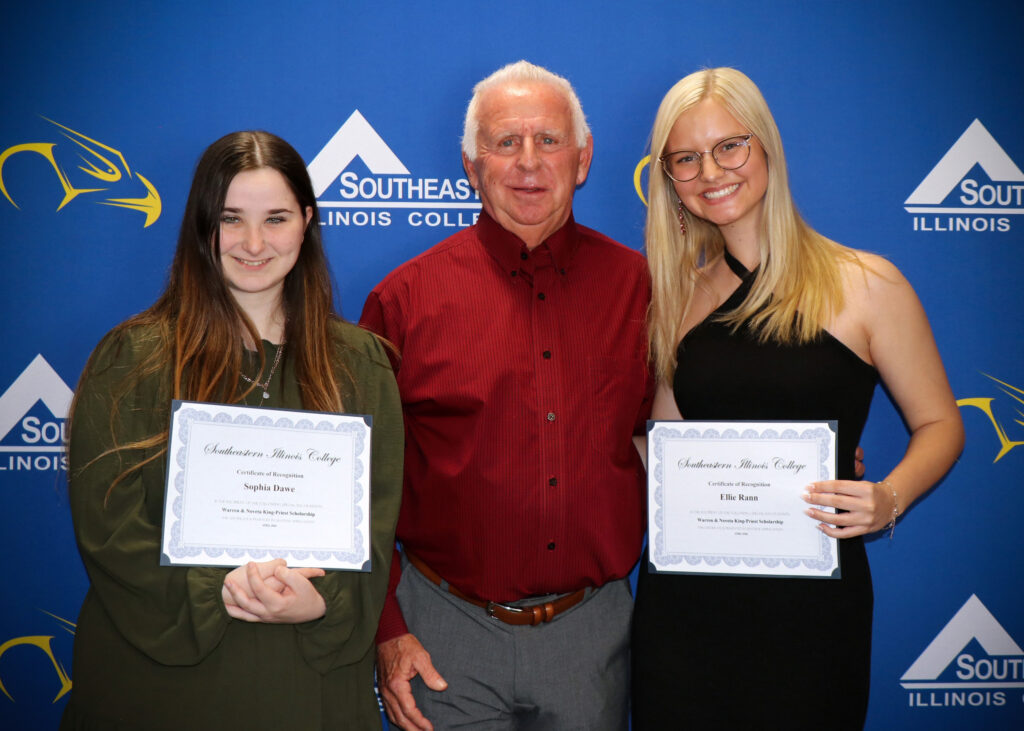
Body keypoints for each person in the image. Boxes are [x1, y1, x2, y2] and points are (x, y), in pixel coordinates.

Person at [632, 67, 965, 729]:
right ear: (669, 179)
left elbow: (940, 424)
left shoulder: (867, 285)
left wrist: (888, 497)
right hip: (687, 609)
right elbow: (666, 451)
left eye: (730, 146)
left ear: (767, 149)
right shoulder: (674, 298)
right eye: (686, 159)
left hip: (813, 612)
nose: (711, 171)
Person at [61, 131, 403, 730]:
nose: (252, 243)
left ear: (307, 222)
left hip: (309, 685)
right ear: (202, 226)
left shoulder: (362, 366)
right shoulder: (133, 359)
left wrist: (322, 601)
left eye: (275, 218)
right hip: (160, 686)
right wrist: (218, 592)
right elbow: (109, 530)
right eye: (230, 219)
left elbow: (374, 534)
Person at [359, 61, 652, 730]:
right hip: (442, 630)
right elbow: (353, 483)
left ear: (583, 158)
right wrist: (386, 628)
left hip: (593, 632)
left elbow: (677, 432)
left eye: (548, 140)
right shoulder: (404, 300)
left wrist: (800, 466)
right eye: (505, 142)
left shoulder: (642, 289)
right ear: (470, 162)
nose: (528, 162)